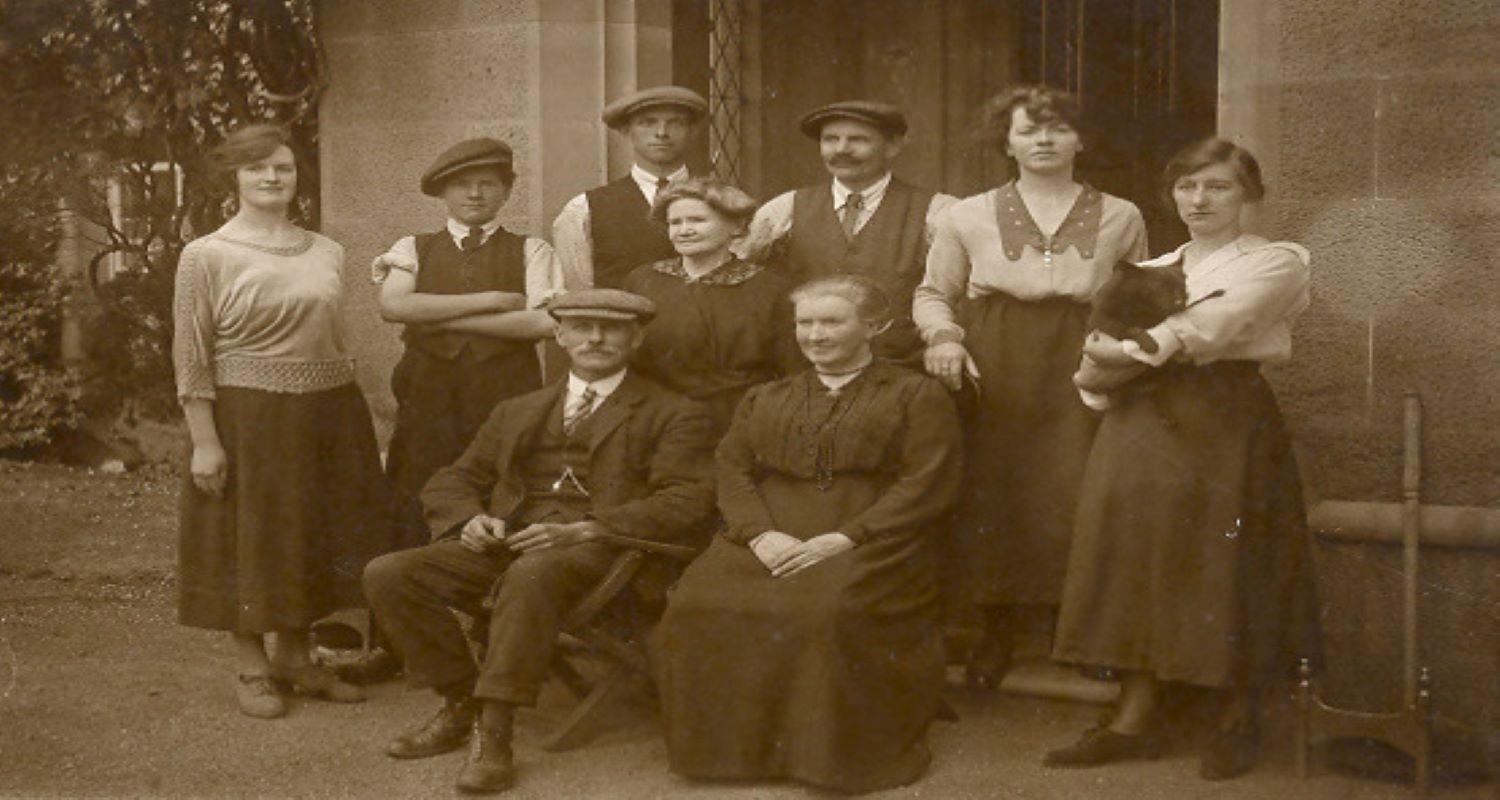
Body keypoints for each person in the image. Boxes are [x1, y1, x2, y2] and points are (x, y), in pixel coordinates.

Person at [362, 288, 717, 795]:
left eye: (611, 328)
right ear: (559, 335)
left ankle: (496, 733)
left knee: (534, 573)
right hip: (514, 537)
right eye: (582, 327)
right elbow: (452, 479)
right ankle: (460, 699)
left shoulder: (673, 411)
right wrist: (470, 518)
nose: (595, 338)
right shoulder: (519, 409)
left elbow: (686, 499)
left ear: (636, 338)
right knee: (390, 573)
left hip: (608, 553)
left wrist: (592, 526)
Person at [1047, 138, 1316, 781]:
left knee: (1224, 560)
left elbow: (1222, 325)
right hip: (1139, 419)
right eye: (1187, 187)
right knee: (1132, 555)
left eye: (1218, 187)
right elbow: (1095, 348)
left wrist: (1130, 349)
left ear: (1248, 195)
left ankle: (1234, 718)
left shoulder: (1276, 262)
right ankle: (1132, 718)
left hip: (1225, 418)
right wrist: (1102, 365)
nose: (1200, 200)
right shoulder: (1152, 266)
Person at [652, 275, 964, 794]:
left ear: (872, 327)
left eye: (831, 321)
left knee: (825, 610)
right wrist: (756, 535)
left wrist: (848, 537)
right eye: (805, 323)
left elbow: (926, 480)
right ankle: (728, 755)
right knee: (695, 604)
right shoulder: (766, 395)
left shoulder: (915, 394)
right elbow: (731, 469)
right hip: (769, 530)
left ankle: (829, 759)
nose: (815, 335)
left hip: (874, 537)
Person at [912, 85, 1148, 687]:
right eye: (1027, 130)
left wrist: (1120, 359)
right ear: (1006, 142)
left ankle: (1080, 632)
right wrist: (944, 339)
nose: (1044, 140)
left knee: (1079, 485)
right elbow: (934, 292)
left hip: (1082, 354)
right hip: (999, 354)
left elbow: (1134, 298)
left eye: (1058, 129)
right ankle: (996, 630)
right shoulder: (966, 214)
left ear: (1081, 139)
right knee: (998, 489)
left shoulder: (1122, 214)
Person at [173, 123, 386, 718]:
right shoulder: (207, 254)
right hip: (249, 414)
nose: (271, 177)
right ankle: (251, 665)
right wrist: (204, 440)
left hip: (329, 410)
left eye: (283, 168)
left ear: (297, 177)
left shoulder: (328, 250)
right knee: (247, 536)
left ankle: (296, 657)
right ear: (234, 178)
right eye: (256, 167)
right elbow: (191, 353)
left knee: (313, 532)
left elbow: (336, 334)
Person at [369, 137, 563, 571]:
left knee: (504, 484)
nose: (474, 194)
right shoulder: (412, 247)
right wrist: (493, 298)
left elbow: (543, 323)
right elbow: (394, 306)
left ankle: (493, 607)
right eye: (461, 184)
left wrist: (434, 317)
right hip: (427, 393)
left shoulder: (532, 249)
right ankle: (400, 613)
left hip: (505, 394)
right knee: (415, 483)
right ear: (442, 192)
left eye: (488, 184)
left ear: (507, 192)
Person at [738, 100, 955, 363]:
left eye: (858, 140)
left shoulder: (938, 210)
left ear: (893, 146)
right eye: (830, 139)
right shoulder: (785, 209)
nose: (841, 149)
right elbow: (744, 282)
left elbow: (952, 293)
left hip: (900, 367)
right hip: (806, 368)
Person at [622, 176, 799, 433]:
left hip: (740, 420)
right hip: (656, 421)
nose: (684, 230)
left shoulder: (771, 288)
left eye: (697, 220)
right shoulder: (643, 280)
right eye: (675, 222)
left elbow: (791, 370)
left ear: (736, 226)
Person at [552, 86, 708, 290]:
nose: (661, 133)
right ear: (627, 131)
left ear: (693, 131)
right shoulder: (585, 209)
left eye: (675, 123)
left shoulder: (721, 202)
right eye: (647, 123)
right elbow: (580, 293)